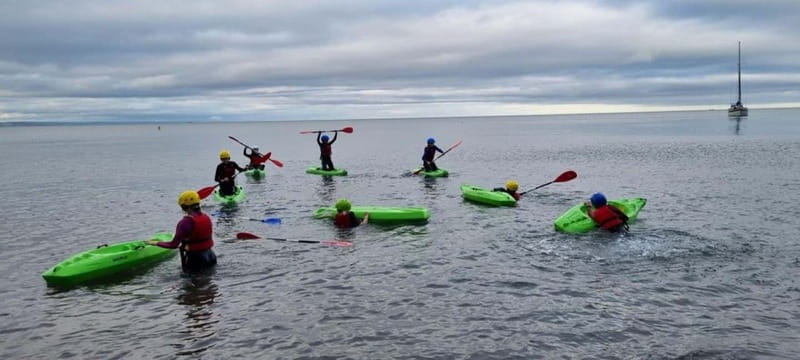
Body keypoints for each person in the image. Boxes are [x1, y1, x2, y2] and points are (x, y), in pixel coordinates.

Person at [146, 190, 217, 272]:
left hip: (196, 259)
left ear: (183, 206)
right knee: (209, 282)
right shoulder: (206, 217)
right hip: (211, 255)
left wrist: (155, 243)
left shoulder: (186, 222)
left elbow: (173, 245)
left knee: (194, 283)